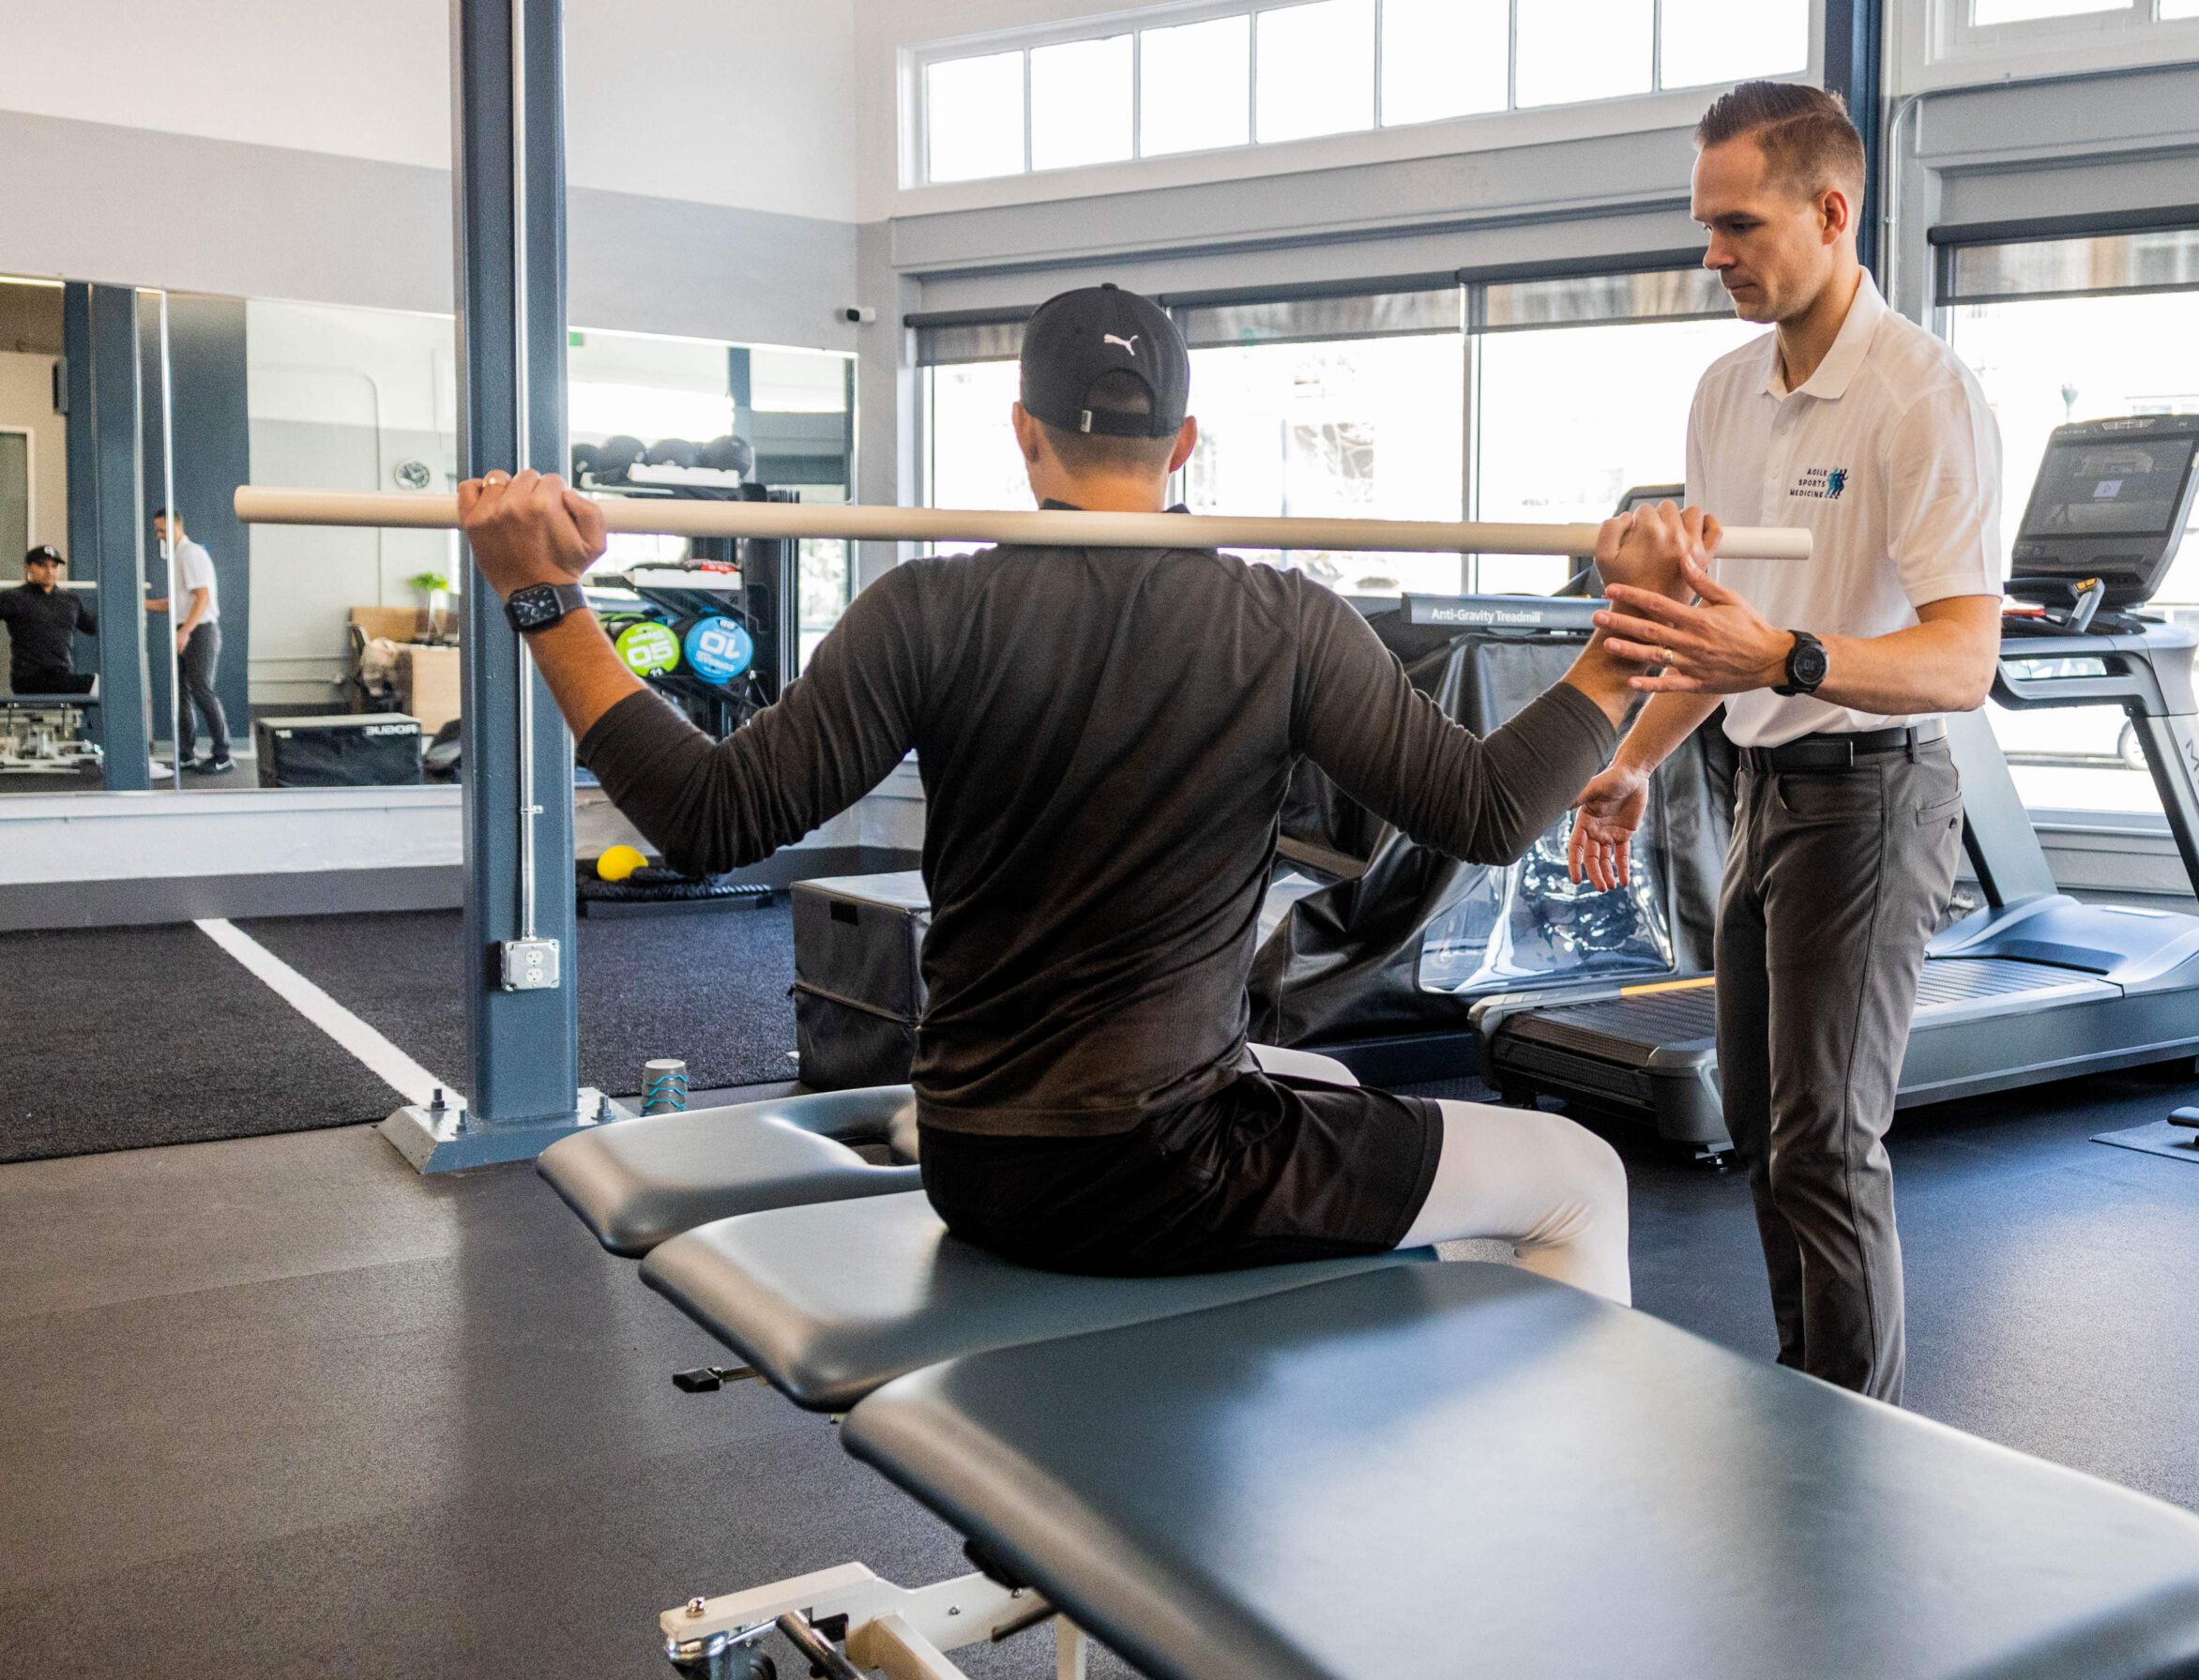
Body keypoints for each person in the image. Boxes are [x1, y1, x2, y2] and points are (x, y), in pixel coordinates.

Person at [456, 283, 1719, 1306]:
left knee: (1326, 1090)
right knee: (1574, 1176)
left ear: (1024, 433)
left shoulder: (925, 610)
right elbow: (1490, 810)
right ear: (1181, 444)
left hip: (975, 1151)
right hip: (1165, 1168)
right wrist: (1618, 651)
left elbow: (705, 814)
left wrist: (544, 598)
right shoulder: (1287, 621)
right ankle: (1561, 1505)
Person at [1570, 81, 2004, 1404]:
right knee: (1765, 1129)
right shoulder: (1724, 392)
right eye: (1706, 225)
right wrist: (1635, 757)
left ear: (1831, 210)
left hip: (1876, 798)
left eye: (1740, 225)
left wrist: (1794, 658)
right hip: (1758, 787)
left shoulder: (1922, 396)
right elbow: (1721, 633)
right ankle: (1805, 1400)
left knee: (1824, 1140)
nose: (1714, 254)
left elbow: (1962, 659)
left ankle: (1858, 1446)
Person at [145, 508, 235, 774]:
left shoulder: (192, 554)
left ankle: (223, 754)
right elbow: (178, 604)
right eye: (157, 531)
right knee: (181, 694)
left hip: (201, 631)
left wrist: (185, 631)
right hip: (187, 627)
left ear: (177, 525)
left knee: (202, 690)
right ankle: (185, 754)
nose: (159, 535)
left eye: (163, 530)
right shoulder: (177, 557)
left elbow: (202, 598)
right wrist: (142, 603)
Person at [1, 546, 98, 696]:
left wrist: (132, 606)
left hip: (61, 676)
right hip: (28, 678)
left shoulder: (70, 600)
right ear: (28, 568)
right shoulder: (14, 597)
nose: (49, 571)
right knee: (96, 685)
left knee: (104, 685)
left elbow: (94, 627)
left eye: (54, 566)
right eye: (42, 565)